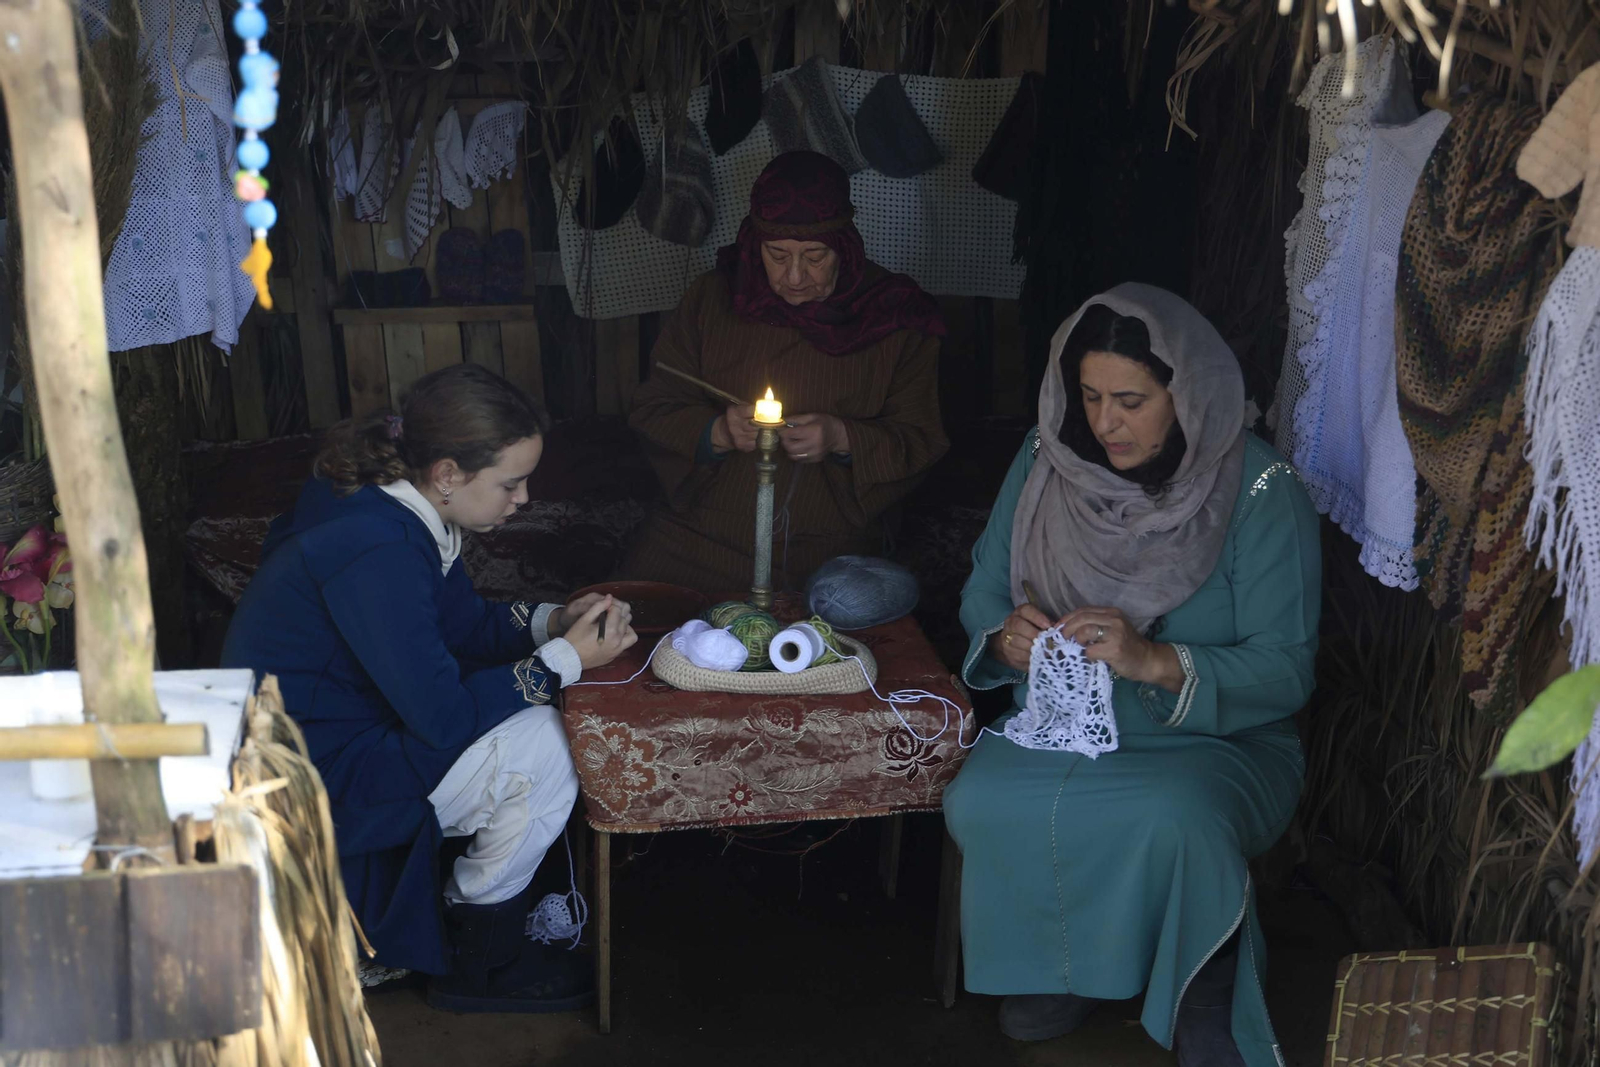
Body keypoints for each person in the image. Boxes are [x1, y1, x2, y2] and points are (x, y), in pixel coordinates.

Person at [942, 285, 1319, 1067]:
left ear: (1189, 395)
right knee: (979, 795)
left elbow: (1286, 668)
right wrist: (1006, 640)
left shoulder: (1257, 488)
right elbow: (985, 588)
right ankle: (1066, 967)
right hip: (1059, 724)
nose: (1104, 422)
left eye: (1131, 400)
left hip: (1216, 738)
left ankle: (1202, 993)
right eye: (1088, 396)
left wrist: (1151, 659)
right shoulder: (1049, 460)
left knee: (1175, 816)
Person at [221, 363, 638, 1014]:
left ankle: (462, 920)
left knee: (527, 712)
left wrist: (550, 621)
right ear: (448, 474)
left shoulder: (399, 506)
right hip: (311, 771)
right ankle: (482, 956)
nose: (522, 499)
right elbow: (444, 720)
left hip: (332, 733)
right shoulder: (375, 545)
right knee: (547, 744)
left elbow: (461, 623)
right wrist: (561, 661)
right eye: (511, 482)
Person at [623, 150, 950, 593]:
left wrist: (841, 437)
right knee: (631, 615)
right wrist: (716, 432)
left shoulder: (896, 318)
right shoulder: (714, 299)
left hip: (823, 543)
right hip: (700, 533)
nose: (794, 276)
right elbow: (653, 407)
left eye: (815, 256)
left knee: (830, 620)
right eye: (777, 255)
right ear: (754, 245)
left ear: (845, 247)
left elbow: (921, 439)